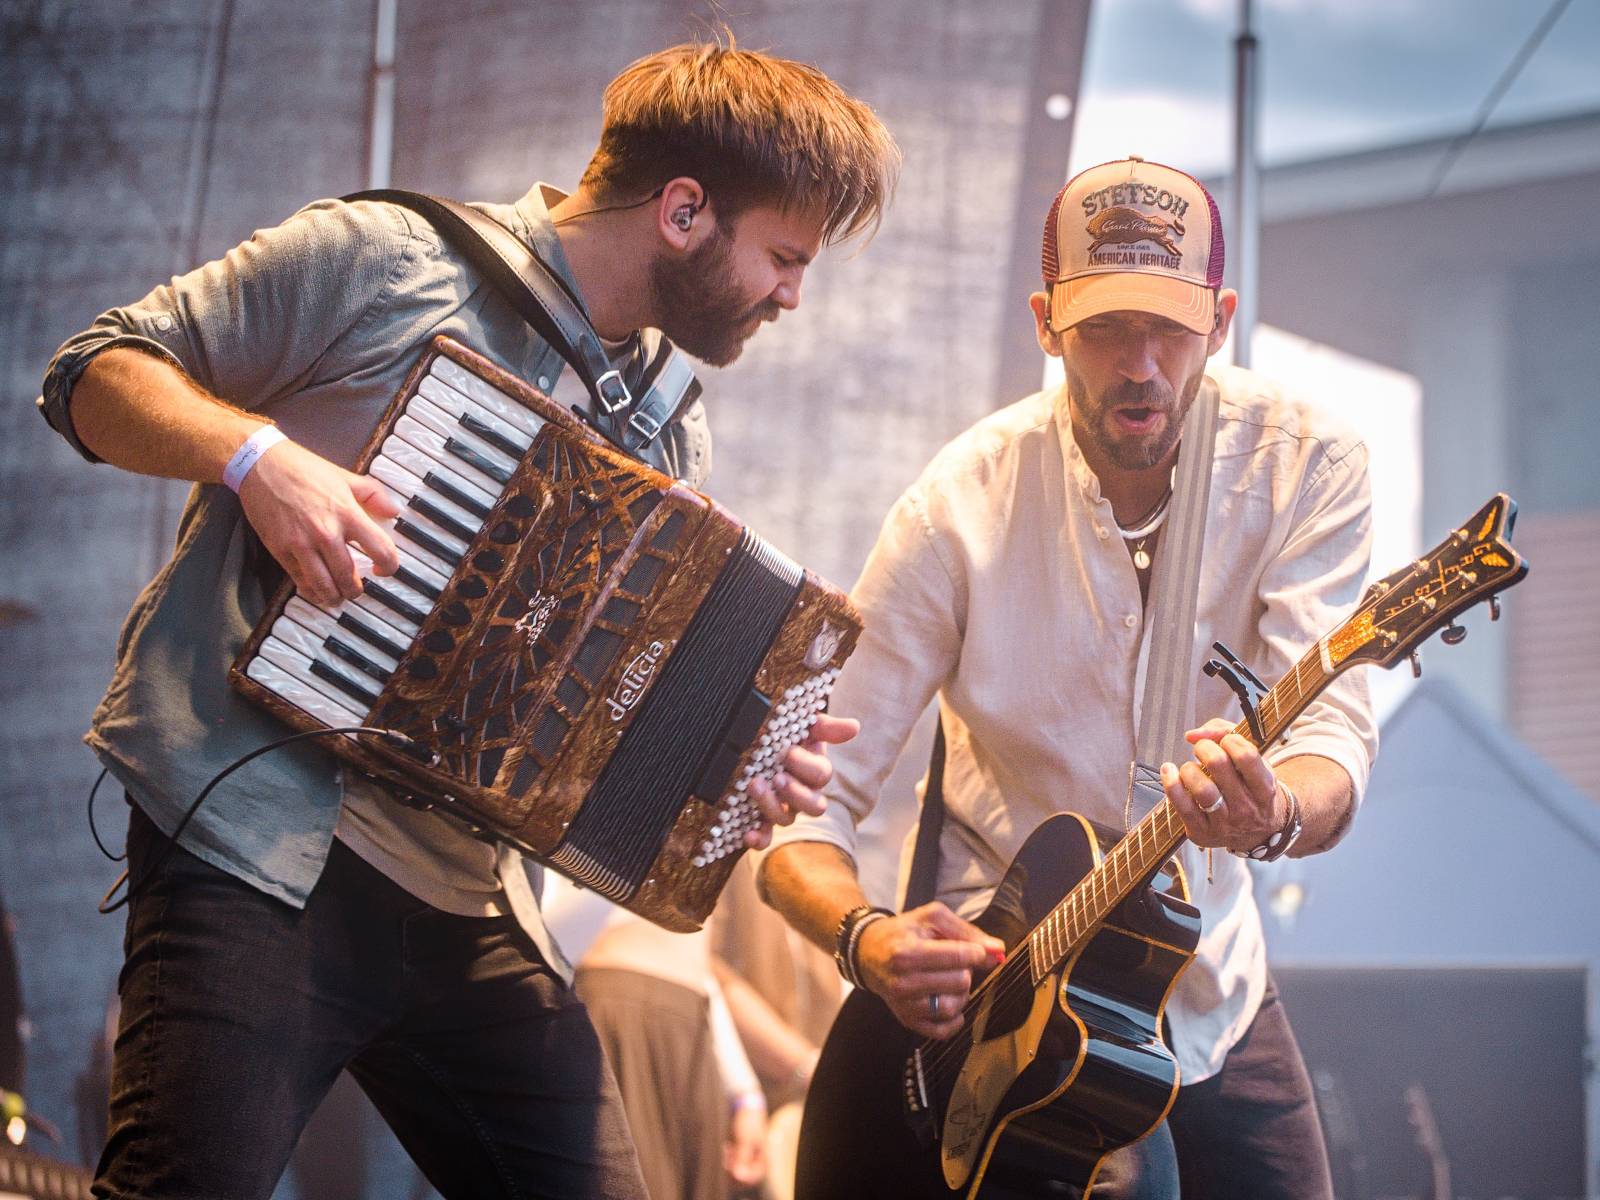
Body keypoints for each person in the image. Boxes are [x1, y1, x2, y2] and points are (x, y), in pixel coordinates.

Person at [37, 38, 896, 1200]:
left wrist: (730, 768)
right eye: (786, 256)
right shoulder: (382, 261)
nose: (793, 294)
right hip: (259, 854)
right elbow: (91, 372)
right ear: (683, 210)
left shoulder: (662, 428)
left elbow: (587, 729)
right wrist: (256, 458)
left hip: (466, 902)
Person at [758, 157, 1377, 1198]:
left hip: (1208, 985)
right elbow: (799, 809)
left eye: (1170, 330)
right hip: (1004, 1013)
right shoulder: (957, 504)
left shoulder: (1304, 466)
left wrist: (1270, 813)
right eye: (1102, 330)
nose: (1140, 366)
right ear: (1045, 323)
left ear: (1219, 320)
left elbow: (1330, 743)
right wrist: (866, 940)